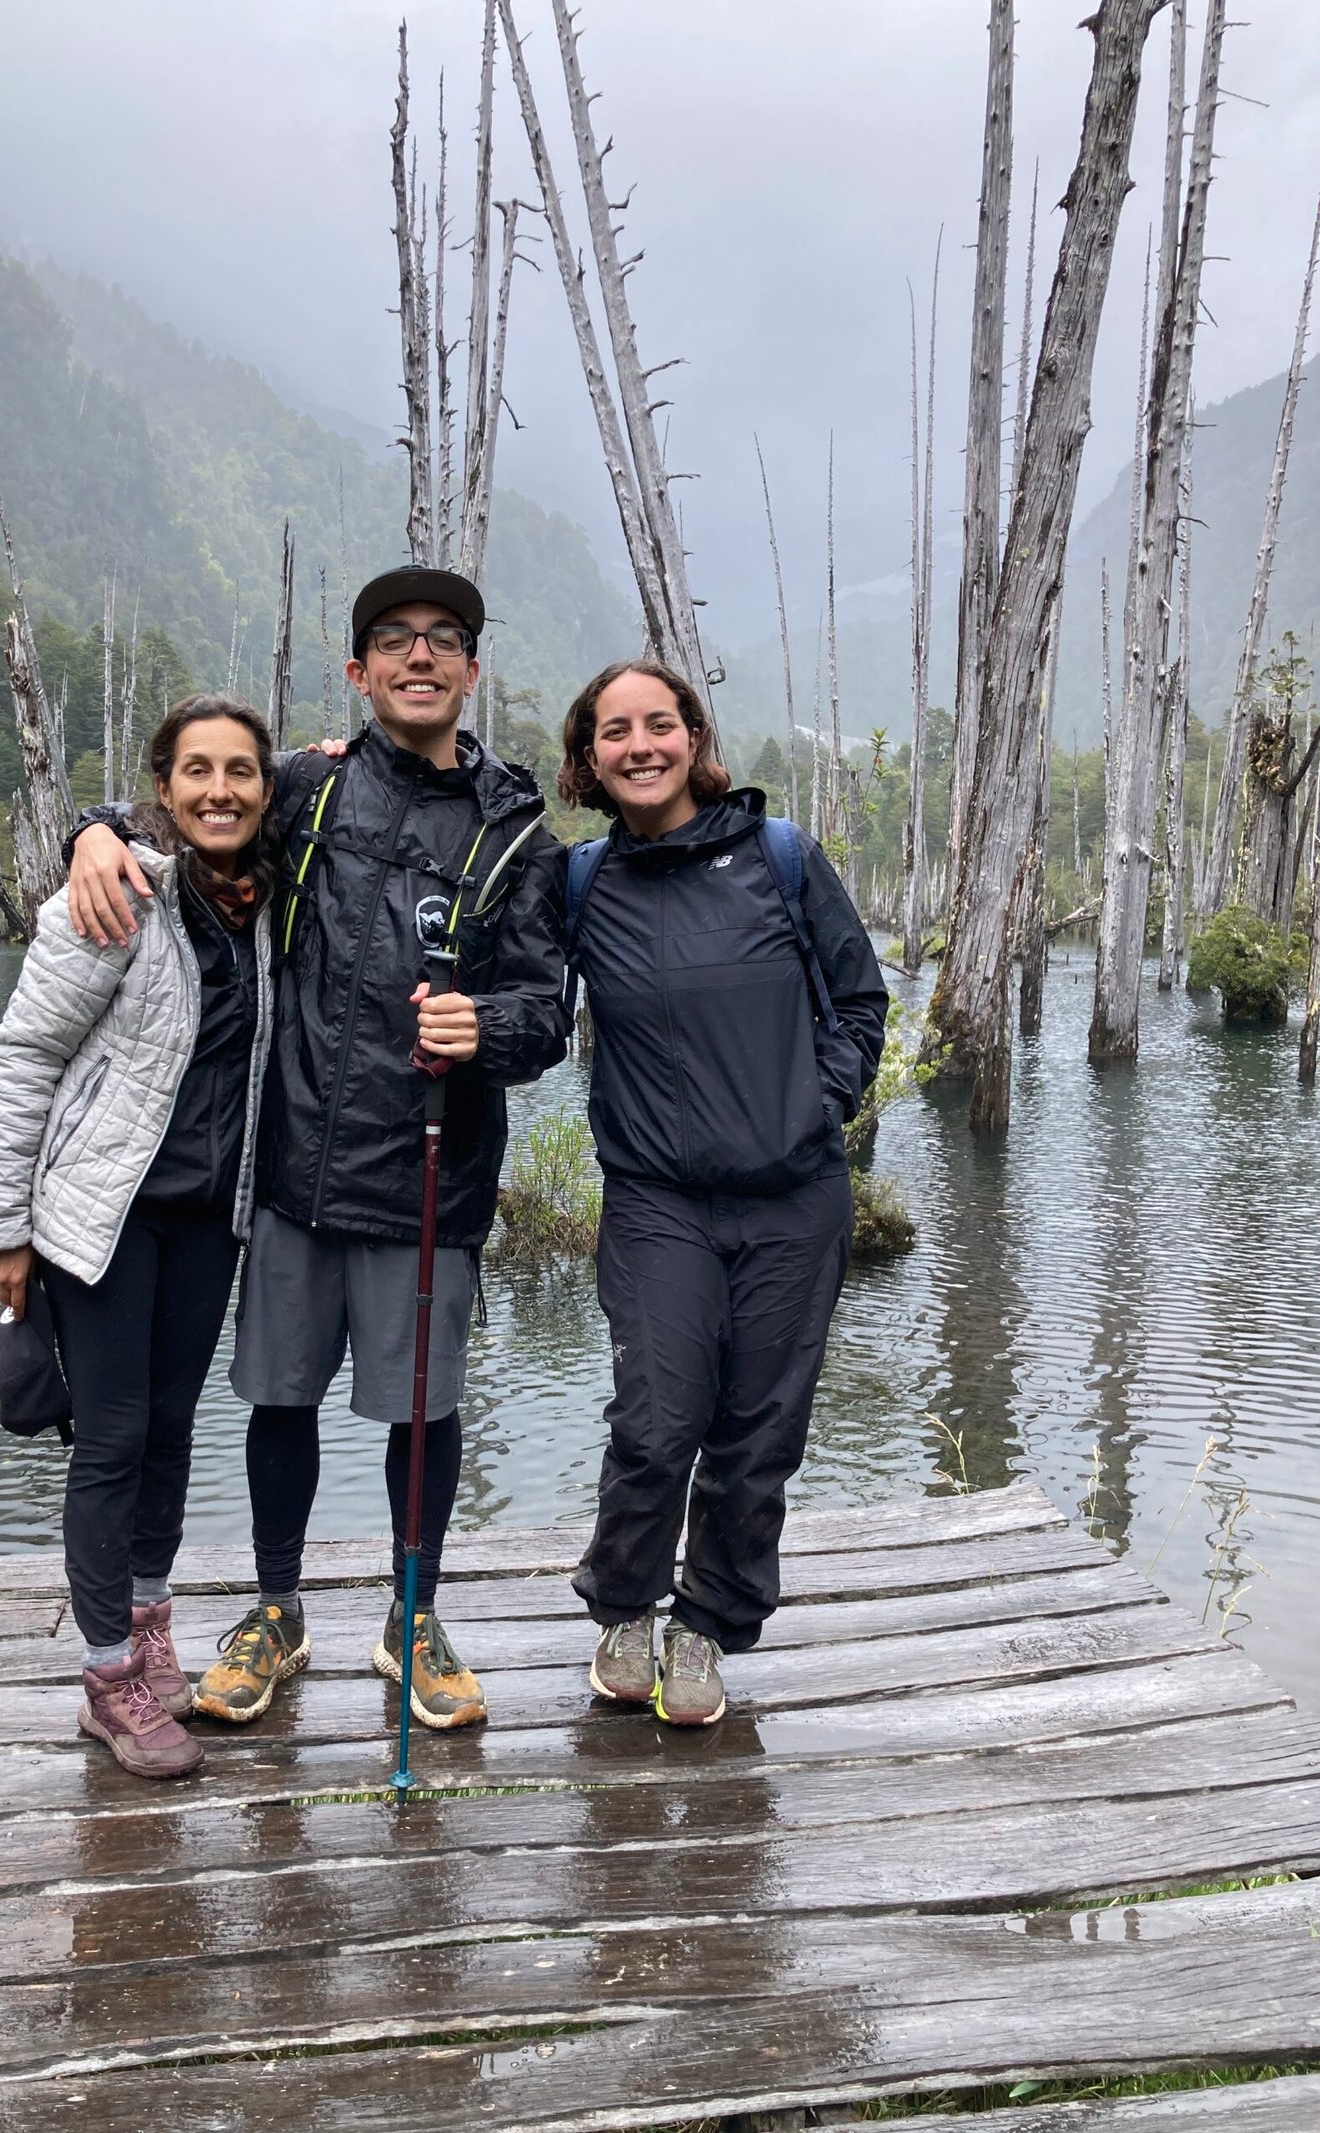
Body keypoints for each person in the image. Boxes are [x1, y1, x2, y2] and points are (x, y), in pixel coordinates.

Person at [65, 566, 569, 1732]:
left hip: (430, 1179)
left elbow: (548, 1009)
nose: (419, 656)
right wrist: (92, 832)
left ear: (470, 669)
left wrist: (485, 1025)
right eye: (394, 640)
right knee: (276, 1400)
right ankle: (277, 1610)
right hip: (290, 1168)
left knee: (423, 1413)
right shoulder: (305, 789)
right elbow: (191, 810)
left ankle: (412, 1616)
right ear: (358, 672)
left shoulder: (517, 831)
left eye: (443, 639)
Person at [557, 659, 888, 1725]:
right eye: (617, 731)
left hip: (794, 1200)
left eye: (660, 724)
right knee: (656, 1421)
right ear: (590, 757)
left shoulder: (780, 858)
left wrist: (813, 1105)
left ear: (694, 738)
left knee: (757, 1435)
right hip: (657, 1202)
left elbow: (859, 997)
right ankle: (624, 1607)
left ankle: (706, 1628)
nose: (640, 745)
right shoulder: (578, 883)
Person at [0, 695, 278, 1779]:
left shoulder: (268, 908)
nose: (219, 789)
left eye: (241, 770)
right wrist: (0, 1227)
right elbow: (20, 1059)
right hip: (99, 1220)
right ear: (162, 788)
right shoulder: (115, 897)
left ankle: (149, 1628)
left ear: (266, 791)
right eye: (196, 769)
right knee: (109, 1439)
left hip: (206, 1220)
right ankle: (106, 1677)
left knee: (172, 1429)